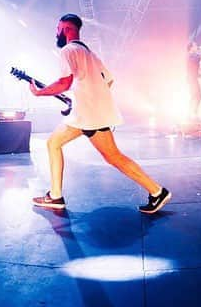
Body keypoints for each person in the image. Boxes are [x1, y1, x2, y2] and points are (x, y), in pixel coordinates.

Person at [28, 14, 171, 214]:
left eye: (58, 28)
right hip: (86, 115)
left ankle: (157, 191)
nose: (56, 32)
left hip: (87, 117)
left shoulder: (68, 50)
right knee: (55, 144)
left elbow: (64, 83)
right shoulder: (89, 53)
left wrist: (39, 92)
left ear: (66, 28)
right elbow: (109, 80)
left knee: (113, 157)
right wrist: (90, 98)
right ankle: (55, 195)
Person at [187, 40, 201, 121]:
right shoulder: (192, 55)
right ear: (191, 47)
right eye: (195, 46)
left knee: (195, 96)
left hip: (193, 79)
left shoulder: (192, 55)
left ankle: (192, 114)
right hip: (192, 79)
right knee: (197, 96)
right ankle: (192, 114)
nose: (196, 47)